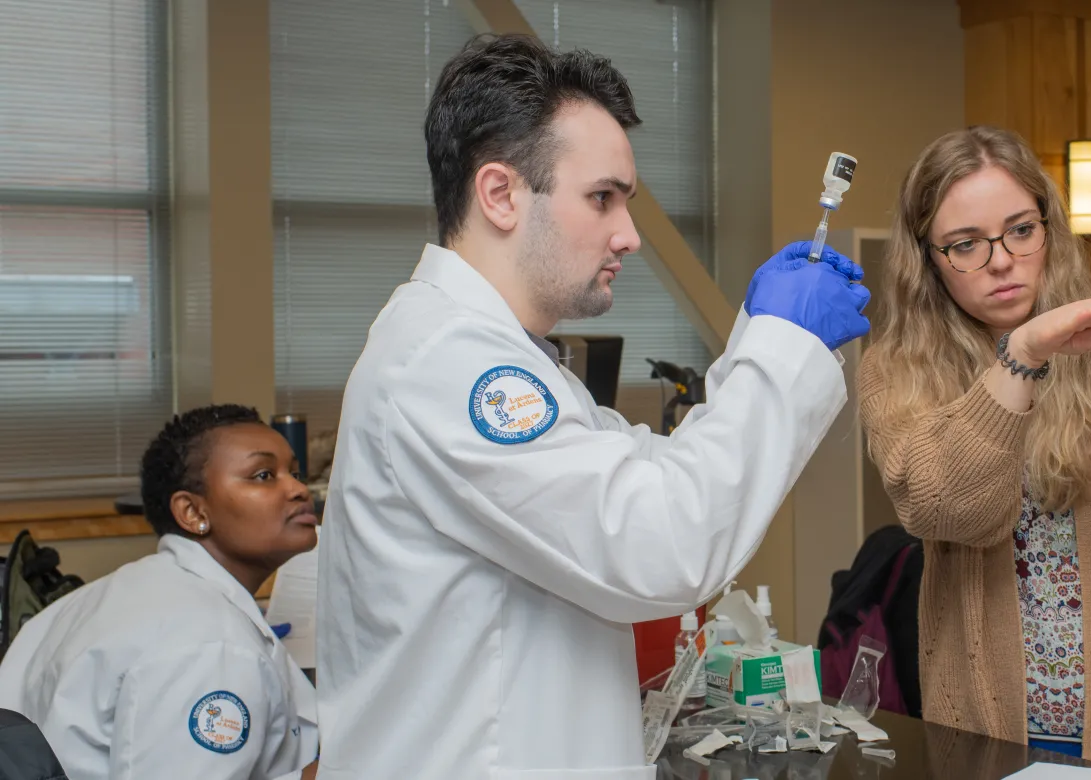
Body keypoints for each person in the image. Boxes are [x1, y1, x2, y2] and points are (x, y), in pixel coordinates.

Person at [313, 34, 869, 780]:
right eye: (601, 198)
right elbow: (664, 543)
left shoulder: (500, 353)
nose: (628, 235)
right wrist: (783, 345)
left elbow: (655, 473)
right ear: (502, 194)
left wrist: (755, 346)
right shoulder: (450, 366)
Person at [857, 126, 1091, 779]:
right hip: (988, 729)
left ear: (1050, 229)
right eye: (966, 244)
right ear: (927, 256)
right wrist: (1021, 358)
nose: (1001, 260)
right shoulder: (896, 369)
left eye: (1020, 231)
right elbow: (946, 510)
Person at [0, 405, 320, 780]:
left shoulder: (114, 592)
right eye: (263, 475)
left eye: (295, 473)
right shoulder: (208, 643)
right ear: (192, 511)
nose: (299, 489)